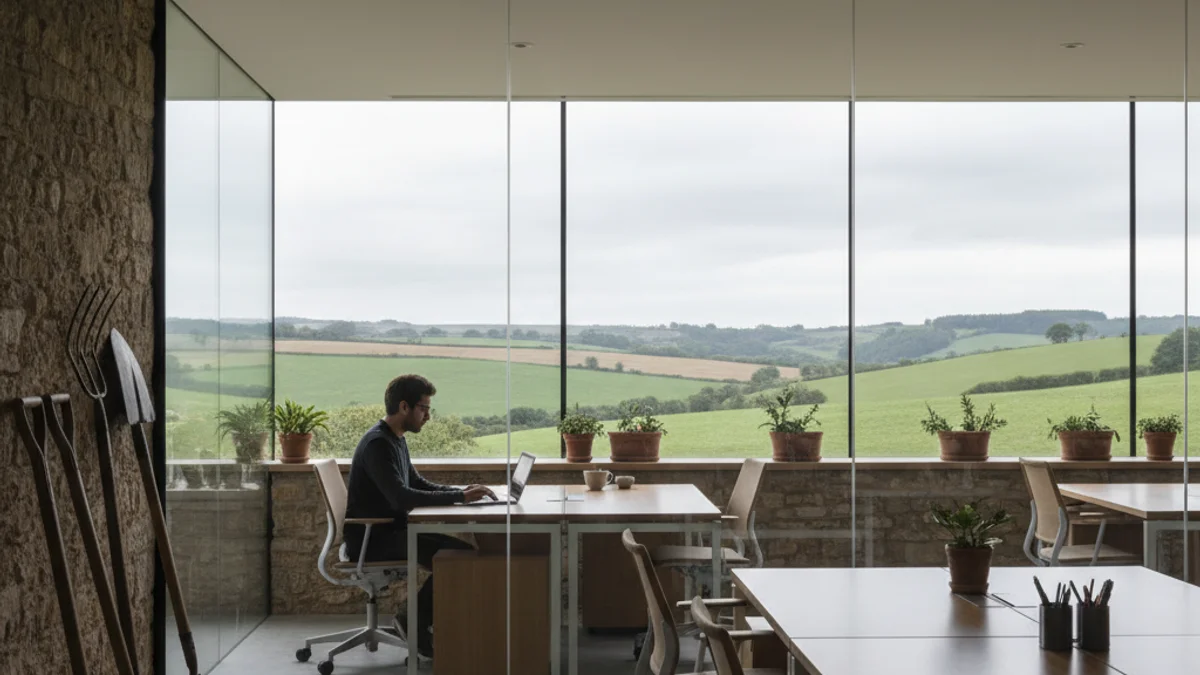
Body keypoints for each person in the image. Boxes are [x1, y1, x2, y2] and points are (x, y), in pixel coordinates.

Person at [343, 373, 494, 658]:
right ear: (404, 407)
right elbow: (401, 497)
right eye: (424, 408)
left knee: (460, 555)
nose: (427, 416)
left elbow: (417, 483)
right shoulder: (378, 444)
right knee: (459, 559)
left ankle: (415, 619)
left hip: (391, 532)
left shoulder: (396, 440)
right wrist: (459, 497)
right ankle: (412, 620)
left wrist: (461, 492)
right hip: (374, 540)